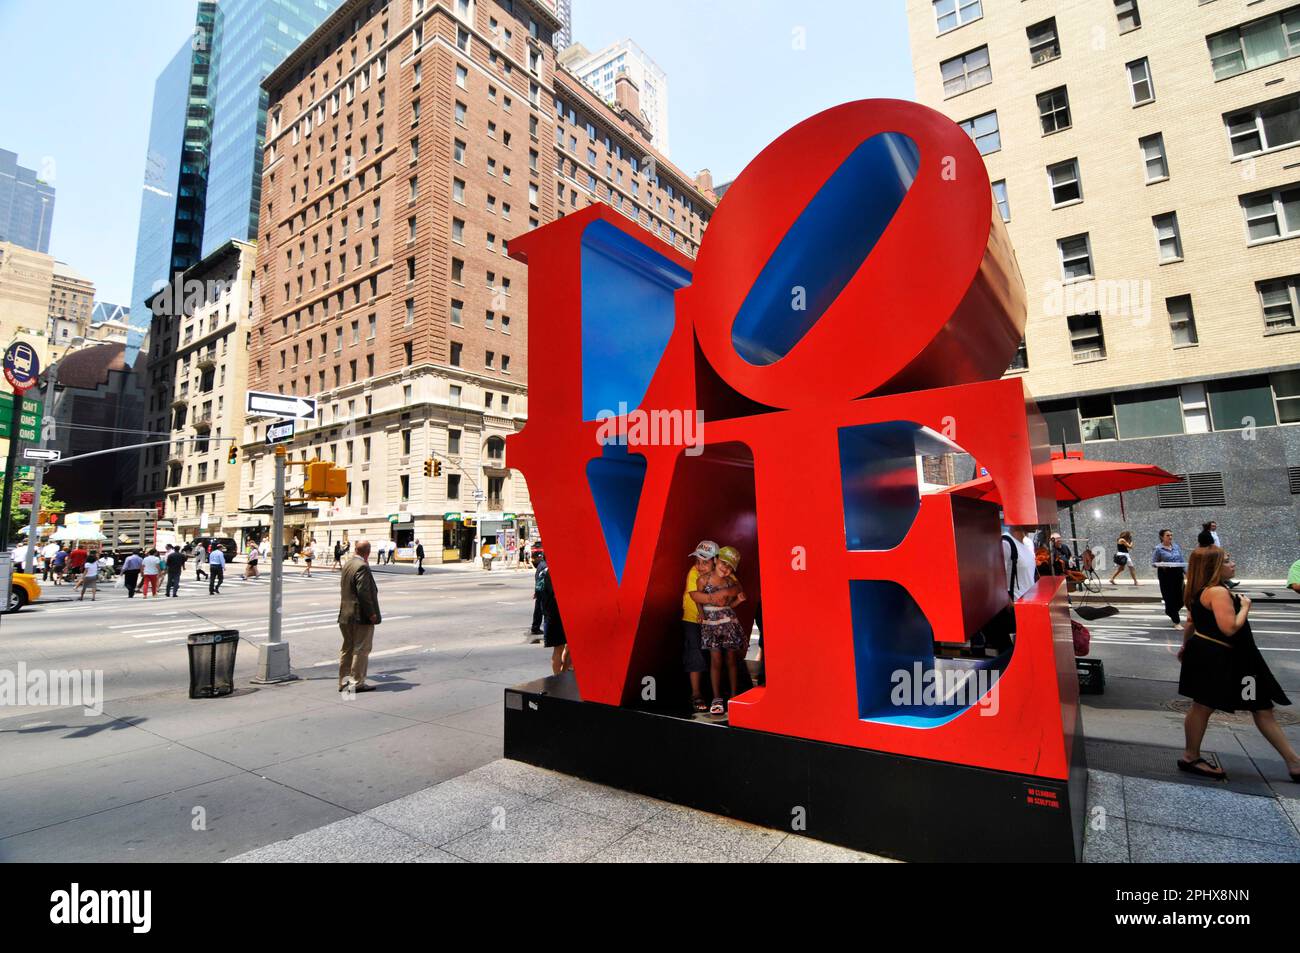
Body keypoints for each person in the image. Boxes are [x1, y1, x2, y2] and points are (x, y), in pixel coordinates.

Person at [1177, 547, 1298, 782]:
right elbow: (1230, 628)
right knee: (1259, 706)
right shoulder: (1218, 592)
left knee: (1203, 705)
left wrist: (1185, 646)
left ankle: (1191, 756)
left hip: (1208, 655)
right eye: (1228, 561)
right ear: (1214, 567)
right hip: (1230, 661)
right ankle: (1294, 763)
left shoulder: (1198, 590)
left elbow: (1191, 623)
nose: (1233, 564)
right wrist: (1245, 608)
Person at [691, 545, 747, 715]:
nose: (725, 568)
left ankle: (734, 694)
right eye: (723, 563)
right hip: (710, 623)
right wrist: (701, 615)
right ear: (715, 560)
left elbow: (729, 604)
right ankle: (716, 697)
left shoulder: (731, 582)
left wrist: (738, 602)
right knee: (716, 660)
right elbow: (697, 600)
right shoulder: (703, 580)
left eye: (730, 566)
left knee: (730, 659)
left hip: (728, 622)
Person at [338, 540, 382, 693]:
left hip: (345, 613)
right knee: (361, 649)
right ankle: (356, 683)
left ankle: (343, 681)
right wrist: (372, 613)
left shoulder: (348, 564)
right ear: (368, 552)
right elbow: (363, 592)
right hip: (359, 615)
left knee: (347, 648)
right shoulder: (362, 567)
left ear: (355, 549)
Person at [682, 541, 719, 713]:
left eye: (705, 562)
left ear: (715, 561)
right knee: (695, 652)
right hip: (693, 619)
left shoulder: (723, 574)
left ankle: (717, 694)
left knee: (715, 656)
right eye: (697, 561)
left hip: (715, 622)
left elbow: (733, 592)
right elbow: (696, 596)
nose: (699, 565)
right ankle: (696, 694)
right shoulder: (693, 572)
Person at [537, 556, 570, 675]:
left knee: (566, 647)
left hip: (552, 614)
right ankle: (558, 676)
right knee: (559, 648)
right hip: (555, 615)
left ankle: (563, 672)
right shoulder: (551, 572)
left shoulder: (543, 569)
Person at [1152, 529, 1186, 627]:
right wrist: (1161, 564)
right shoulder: (1158, 549)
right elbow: (1153, 563)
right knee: (1170, 597)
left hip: (1178, 573)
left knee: (1181, 598)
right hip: (1166, 575)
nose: (1170, 537)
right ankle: (1176, 621)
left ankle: (1169, 610)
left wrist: (1187, 572)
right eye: (1168, 535)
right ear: (1162, 537)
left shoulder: (1176, 547)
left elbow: (1181, 560)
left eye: (1171, 535)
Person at [530, 550, 547, 639]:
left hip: (540, 590)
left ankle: (535, 627)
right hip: (543, 591)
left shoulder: (541, 565)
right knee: (543, 610)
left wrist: (536, 591)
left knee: (538, 610)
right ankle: (536, 627)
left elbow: (537, 579)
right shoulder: (545, 566)